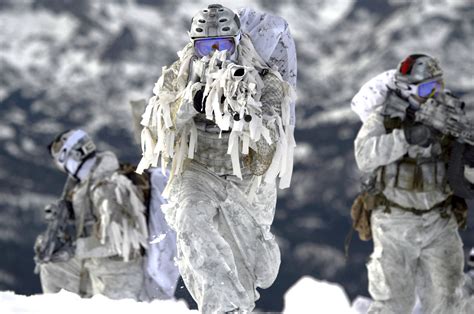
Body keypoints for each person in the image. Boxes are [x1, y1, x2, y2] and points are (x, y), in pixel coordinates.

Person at [137, 4, 296, 313]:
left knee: (255, 265)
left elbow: (269, 150)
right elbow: (157, 125)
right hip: (197, 169)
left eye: (221, 44)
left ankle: (239, 303)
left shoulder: (265, 78)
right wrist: (191, 101)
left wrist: (246, 118)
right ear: (192, 46)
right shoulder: (179, 74)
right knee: (190, 222)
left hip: (247, 179)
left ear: (236, 43)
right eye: (204, 46)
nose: (213, 54)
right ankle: (223, 307)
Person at [351, 53, 474, 313]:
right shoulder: (385, 118)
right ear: (407, 90)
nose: (435, 95)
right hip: (394, 221)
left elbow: (463, 178)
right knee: (392, 304)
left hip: (439, 221)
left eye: (438, 86)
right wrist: (405, 137)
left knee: (449, 302)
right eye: (428, 88)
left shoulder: (449, 118)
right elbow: (364, 156)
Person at [34, 129, 149, 300]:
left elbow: (119, 242)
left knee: (56, 266)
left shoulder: (106, 188)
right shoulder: (92, 181)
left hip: (119, 280)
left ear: (71, 154)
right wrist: (70, 212)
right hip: (98, 268)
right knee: (51, 268)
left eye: (59, 156)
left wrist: (72, 249)